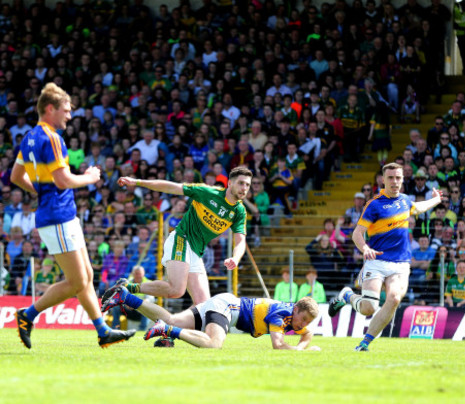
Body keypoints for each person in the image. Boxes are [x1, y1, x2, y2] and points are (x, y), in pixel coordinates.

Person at [11, 82, 135, 349]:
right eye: (66, 110)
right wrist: (89, 177)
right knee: (78, 281)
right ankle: (27, 314)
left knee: (87, 276)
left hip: (60, 215)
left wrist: (40, 192)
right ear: (50, 108)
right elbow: (64, 180)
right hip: (57, 217)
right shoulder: (52, 138)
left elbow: (15, 176)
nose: (69, 115)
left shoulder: (29, 136)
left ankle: (103, 331)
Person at [328, 162, 442, 351]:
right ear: (383, 180)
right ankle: (347, 295)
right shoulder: (374, 205)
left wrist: (436, 200)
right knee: (368, 308)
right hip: (377, 261)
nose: (394, 181)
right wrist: (364, 248)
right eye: (390, 178)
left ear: (403, 179)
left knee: (395, 298)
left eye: (398, 177)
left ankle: (364, 343)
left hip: (401, 263)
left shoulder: (405, 200)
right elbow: (357, 233)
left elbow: (418, 207)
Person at [102, 166, 252, 307]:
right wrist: (138, 182)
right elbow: (171, 186)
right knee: (176, 290)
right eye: (241, 183)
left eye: (247, 185)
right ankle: (126, 287)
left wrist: (235, 258)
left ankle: (173, 331)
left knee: (204, 306)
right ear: (230, 183)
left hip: (196, 251)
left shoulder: (239, 211)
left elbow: (240, 241)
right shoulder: (207, 192)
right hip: (182, 239)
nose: (244, 188)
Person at [102, 287, 320, 350]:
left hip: (224, 303)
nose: (302, 325)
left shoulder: (294, 314)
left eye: (306, 322)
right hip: (227, 307)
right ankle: (167, 331)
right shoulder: (282, 314)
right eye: (303, 319)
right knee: (214, 344)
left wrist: (305, 338)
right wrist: (303, 350)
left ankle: (126, 297)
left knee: (172, 318)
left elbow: (307, 334)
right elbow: (278, 345)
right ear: (297, 308)